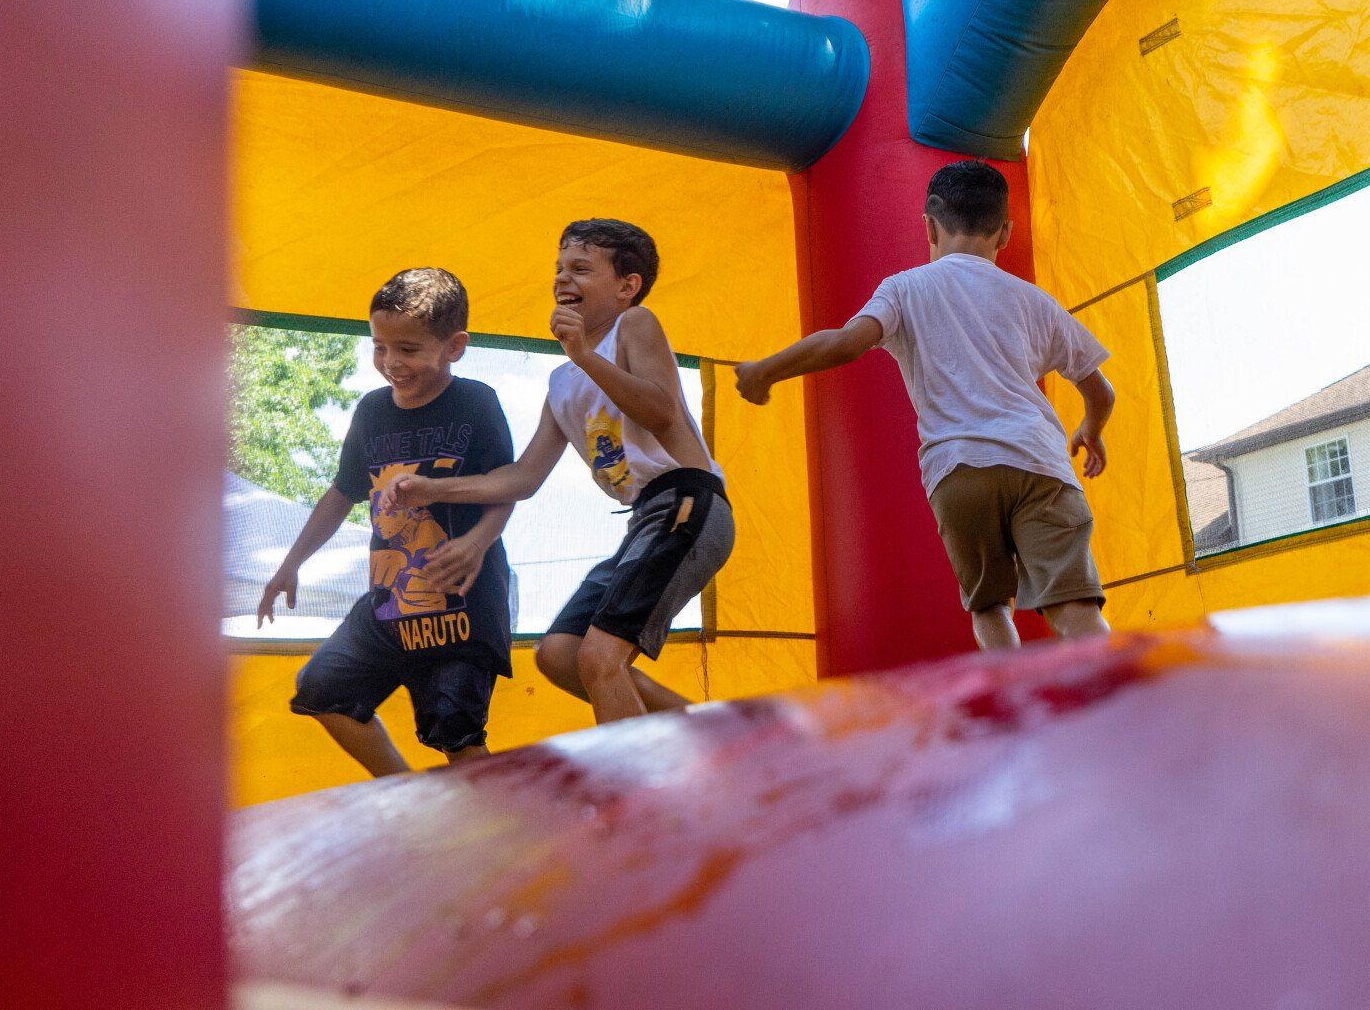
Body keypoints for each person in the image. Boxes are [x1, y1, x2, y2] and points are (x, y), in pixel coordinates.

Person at [734, 160, 1116, 651]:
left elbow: (848, 343)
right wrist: (1091, 428)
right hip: (1039, 463)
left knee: (990, 607)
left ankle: (1014, 715)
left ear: (929, 226)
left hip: (958, 471)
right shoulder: (1035, 301)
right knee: (1073, 606)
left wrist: (767, 370)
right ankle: (1123, 711)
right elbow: (1100, 391)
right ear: (1005, 232)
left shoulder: (904, 288)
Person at [390, 219, 730, 724]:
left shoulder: (634, 325)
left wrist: (586, 355)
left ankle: (637, 791)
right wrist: (433, 488)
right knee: (560, 654)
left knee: (600, 659)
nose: (562, 279)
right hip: (646, 519)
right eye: (559, 269)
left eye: (580, 269)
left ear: (626, 286)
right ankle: (717, 731)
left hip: (687, 501)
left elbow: (661, 412)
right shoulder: (562, 381)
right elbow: (522, 479)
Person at [256, 268, 516, 776]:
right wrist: (290, 563)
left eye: (409, 349)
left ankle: (496, 834)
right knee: (322, 689)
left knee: (453, 729)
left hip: (459, 607)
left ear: (454, 346)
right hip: (388, 604)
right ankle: (403, 793)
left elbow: (507, 485)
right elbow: (341, 493)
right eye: (380, 347)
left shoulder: (475, 402)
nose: (391, 363)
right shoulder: (372, 411)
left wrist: (479, 542)